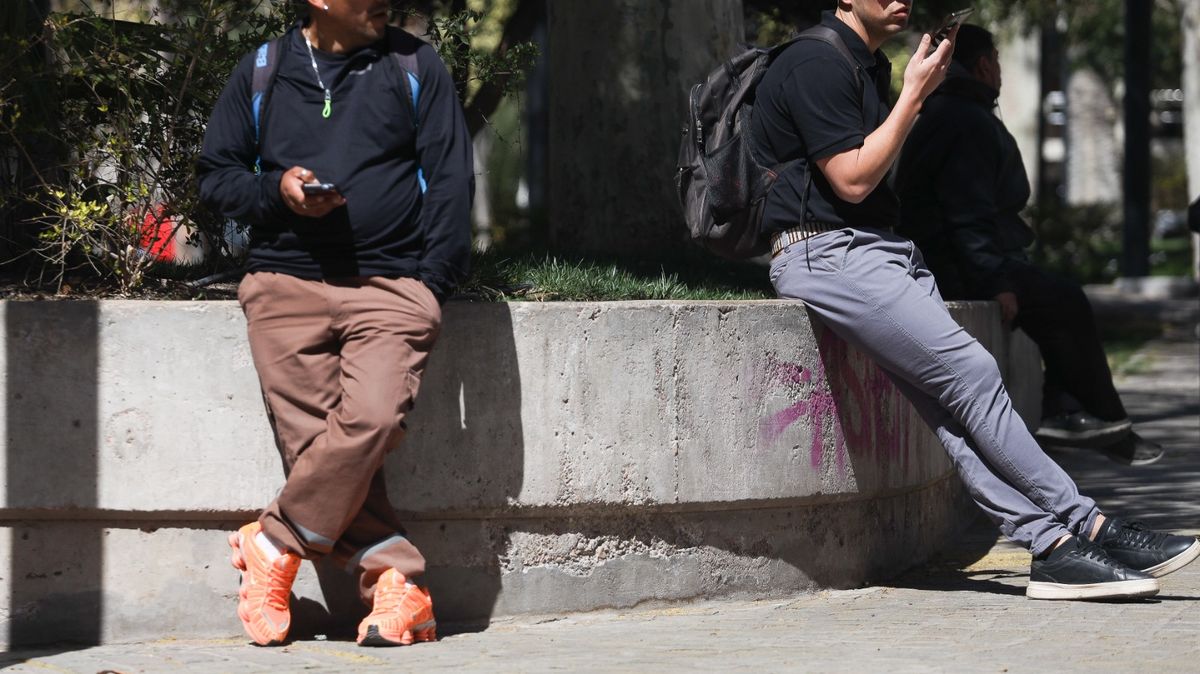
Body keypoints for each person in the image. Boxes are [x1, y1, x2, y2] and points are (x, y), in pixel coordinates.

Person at [749, 0, 1197, 600]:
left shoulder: (865, 64)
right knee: (974, 372)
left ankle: (1053, 547)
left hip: (874, 251)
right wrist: (914, 96)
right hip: (825, 255)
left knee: (955, 416)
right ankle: (1092, 524)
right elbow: (853, 179)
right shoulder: (814, 62)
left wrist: (910, 91)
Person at [196, 0, 472, 646]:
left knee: (372, 417)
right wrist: (277, 192)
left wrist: (429, 288)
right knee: (319, 449)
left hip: (389, 288)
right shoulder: (263, 69)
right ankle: (400, 587)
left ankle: (272, 541)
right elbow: (216, 176)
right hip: (283, 288)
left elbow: (454, 181)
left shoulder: (415, 67)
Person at [894, 24, 1161, 466]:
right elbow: (966, 212)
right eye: (996, 60)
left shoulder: (955, 112)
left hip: (957, 253)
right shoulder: (965, 119)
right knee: (1063, 300)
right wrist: (995, 280)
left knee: (1060, 299)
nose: (999, 69)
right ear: (984, 65)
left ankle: (1076, 413)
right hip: (953, 261)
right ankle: (1086, 419)